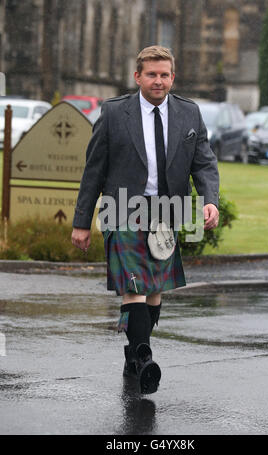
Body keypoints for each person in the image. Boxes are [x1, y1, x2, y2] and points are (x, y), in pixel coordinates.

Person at [71, 45, 219, 395]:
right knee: (134, 287)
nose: (158, 80)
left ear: (172, 76)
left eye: (165, 74)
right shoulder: (113, 113)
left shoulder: (189, 114)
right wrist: (81, 221)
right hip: (121, 210)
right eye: (151, 74)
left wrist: (210, 200)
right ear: (137, 76)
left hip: (167, 213)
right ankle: (144, 358)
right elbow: (94, 171)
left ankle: (134, 353)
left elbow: (204, 163)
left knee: (153, 291)